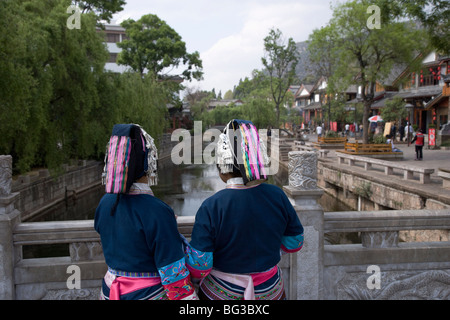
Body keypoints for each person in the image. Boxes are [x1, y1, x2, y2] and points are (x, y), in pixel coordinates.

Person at [183, 119, 304, 300]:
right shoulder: (277, 196)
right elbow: (295, 243)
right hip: (270, 290)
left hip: (222, 293)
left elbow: (200, 266)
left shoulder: (212, 206)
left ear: (221, 168)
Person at [94, 124, 197, 300]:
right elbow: (173, 274)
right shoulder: (157, 210)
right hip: (146, 294)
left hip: (110, 290)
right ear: (147, 162)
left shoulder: (104, 203)